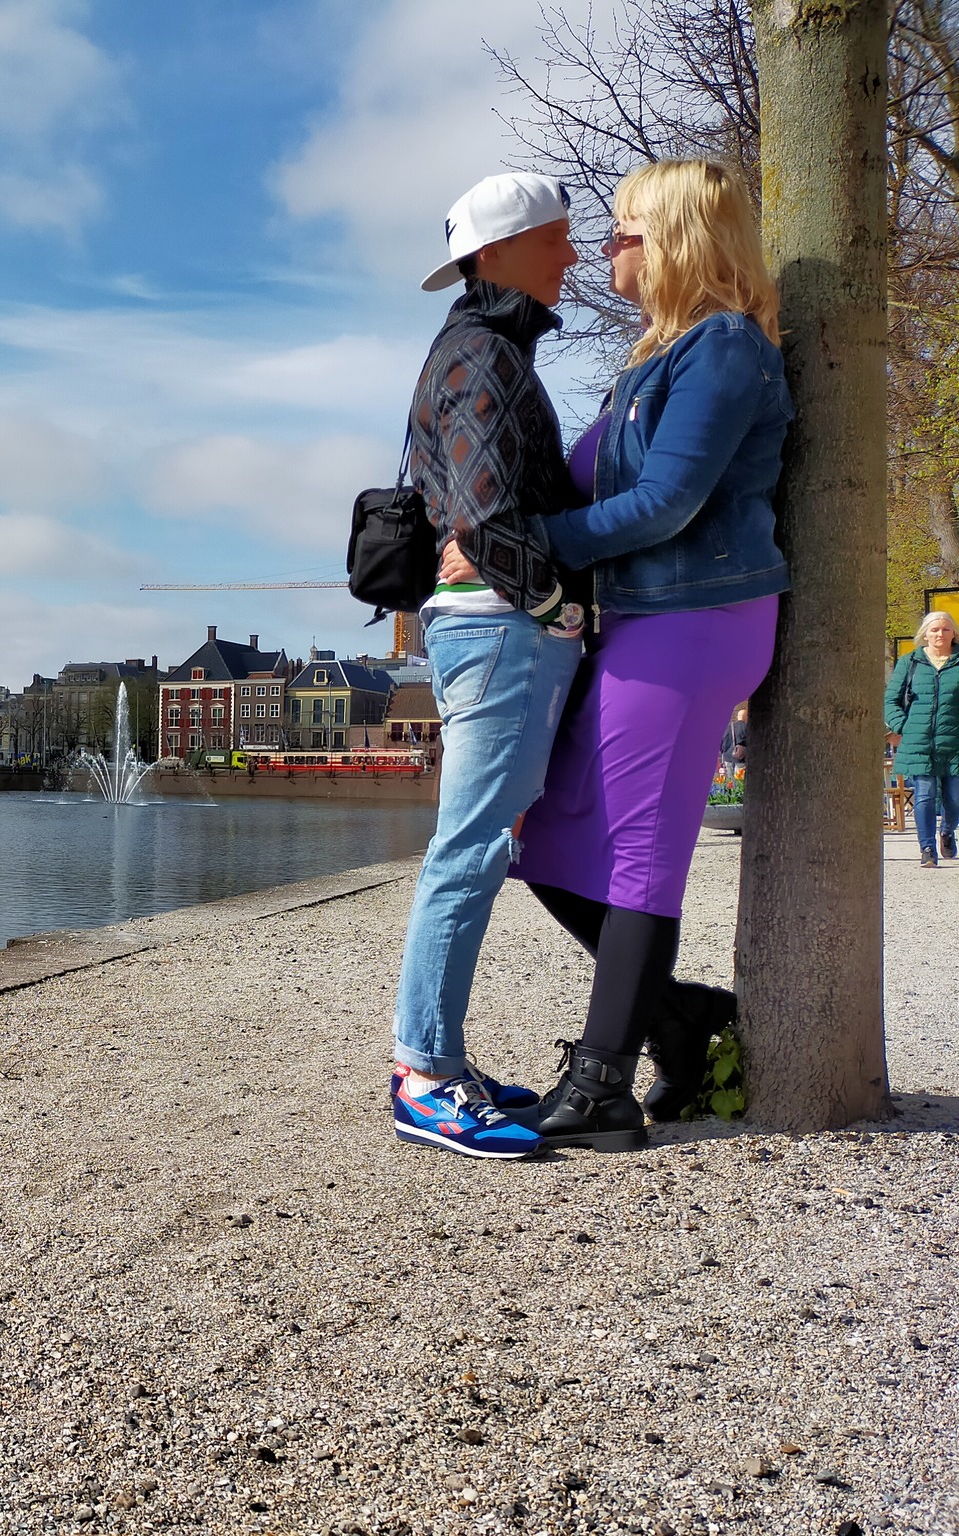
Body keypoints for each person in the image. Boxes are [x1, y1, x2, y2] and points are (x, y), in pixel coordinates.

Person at [499, 159, 792, 1147]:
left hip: (692, 622)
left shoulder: (721, 349)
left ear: (675, 240)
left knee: (636, 852)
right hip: (635, 622)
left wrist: (541, 544)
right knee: (541, 842)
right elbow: (585, 486)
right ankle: (676, 1018)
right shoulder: (649, 357)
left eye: (623, 230)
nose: (605, 248)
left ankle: (602, 1085)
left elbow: (667, 501)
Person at [388, 172, 589, 1161]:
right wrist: (559, 608)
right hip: (501, 628)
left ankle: (437, 1062)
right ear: (500, 250)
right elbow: (484, 516)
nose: (571, 254)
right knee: (466, 853)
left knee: (472, 849)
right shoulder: (481, 359)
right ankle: (422, 1074)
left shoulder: (479, 350)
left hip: (488, 626)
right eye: (555, 237)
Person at [886, 610, 959, 868]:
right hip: (919, 742)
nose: (940, 634)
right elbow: (891, 700)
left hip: (954, 744)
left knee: (954, 798)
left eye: (946, 629)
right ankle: (927, 847)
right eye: (935, 629)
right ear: (925, 634)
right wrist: (903, 727)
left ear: (953, 633)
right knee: (925, 795)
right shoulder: (910, 662)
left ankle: (947, 831)